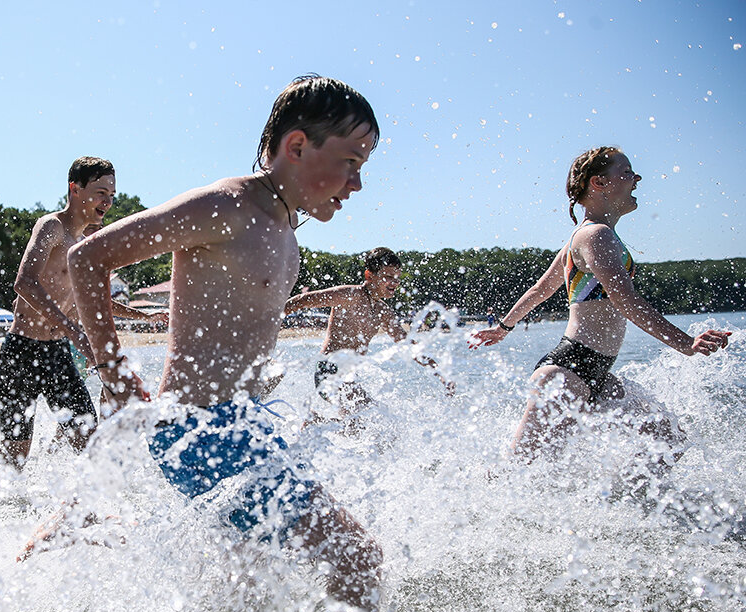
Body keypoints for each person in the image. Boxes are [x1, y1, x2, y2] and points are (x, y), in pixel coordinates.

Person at [60, 76, 384, 612]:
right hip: (201, 430)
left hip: (245, 427)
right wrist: (112, 371)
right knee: (357, 561)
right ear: (298, 146)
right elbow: (89, 256)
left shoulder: (283, 224)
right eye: (352, 160)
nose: (358, 182)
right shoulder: (228, 205)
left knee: (248, 597)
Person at [470, 146, 732, 461]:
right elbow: (625, 299)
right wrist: (686, 343)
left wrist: (503, 326)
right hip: (567, 372)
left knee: (670, 437)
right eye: (626, 172)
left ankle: (627, 504)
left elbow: (541, 289)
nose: (636, 178)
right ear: (599, 183)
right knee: (519, 472)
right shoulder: (594, 236)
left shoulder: (583, 238)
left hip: (597, 374)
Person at [0, 157, 165, 491]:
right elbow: (24, 283)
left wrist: (143, 317)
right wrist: (72, 329)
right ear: (75, 188)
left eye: (112, 193)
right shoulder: (51, 227)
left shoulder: (87, 245)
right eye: (100, 192)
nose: (107, 201)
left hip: (56, 355)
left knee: (87, 440)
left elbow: (98, 302)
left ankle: (83, 514)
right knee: (13, 460)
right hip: (21, 352)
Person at [283, 246, 453, 422]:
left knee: (358, 428)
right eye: (388, 277)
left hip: (349, 377)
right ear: (369, 276)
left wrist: (438, 370)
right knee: (377, 421)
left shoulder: (383, 311)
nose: (394, 282)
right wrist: (266, 323)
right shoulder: (350, 295)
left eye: (397, 278)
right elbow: (303, 300)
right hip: (329, 370)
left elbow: (407, 345)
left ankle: (314, 423)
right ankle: (313, 423)